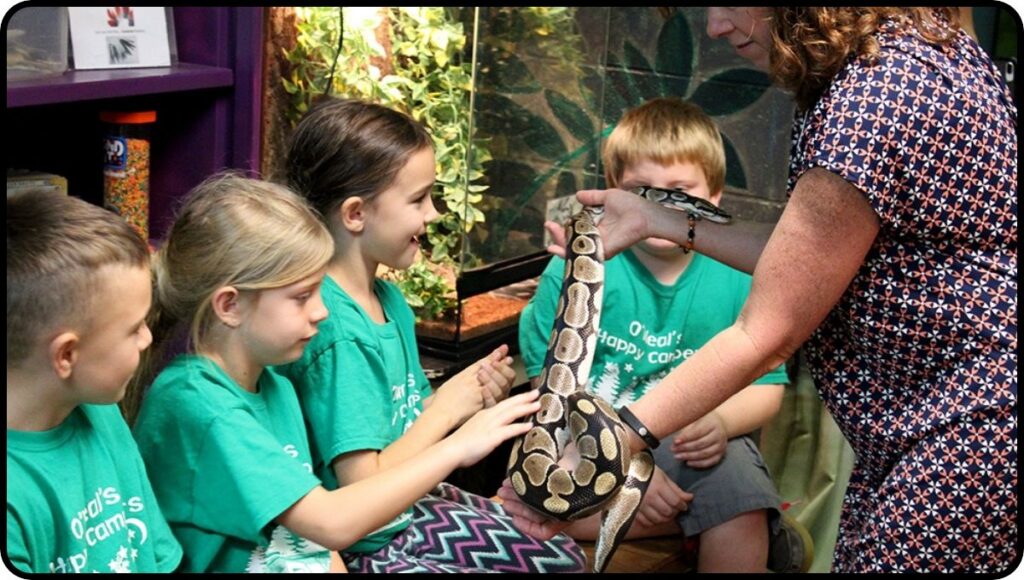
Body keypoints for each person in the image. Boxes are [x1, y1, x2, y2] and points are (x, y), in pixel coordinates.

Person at [499, 7, 1017, 574]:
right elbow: (816, 253)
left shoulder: (873, 101)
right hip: (936, 425)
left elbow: (764, 333)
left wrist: (611, 445)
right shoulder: (905, 60)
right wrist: (655, 219)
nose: (716, 27)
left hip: (963, 430)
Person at [128, 173, 543, 573]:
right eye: (302, 296)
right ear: (230, 305)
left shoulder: (275, 386)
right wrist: (458, 445)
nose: (323, 311)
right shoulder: (198, 405)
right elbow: (330, 522)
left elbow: (309, 536)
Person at [279, 97, 587, 572]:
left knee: (560, 557)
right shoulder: (335, 331)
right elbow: (362, 483)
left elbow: (399, 427)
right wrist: (445, 415)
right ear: (356, 213)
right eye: (418, 199)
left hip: (410, 507)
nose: (433, 213)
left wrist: (463, 399)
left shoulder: (388, 300)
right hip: (371, 539)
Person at [517, 96, 795, 572]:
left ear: (715, 197)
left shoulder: (741, 278)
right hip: (585, 442)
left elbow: (767, 391)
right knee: (539, 501)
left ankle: (681, 513)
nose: (658, 204)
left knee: (740, 501)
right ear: (615, 195)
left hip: (692, 442)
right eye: (641, 191)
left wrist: (724, 422)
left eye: (678, 190)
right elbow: (545, 398)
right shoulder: (570, 273)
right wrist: (624, 471)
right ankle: (659, 509)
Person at [7, 191, 182, 573]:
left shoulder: (101, 411)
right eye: (134, 328)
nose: (148, 339)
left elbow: (156, 555)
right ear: (67, 355)